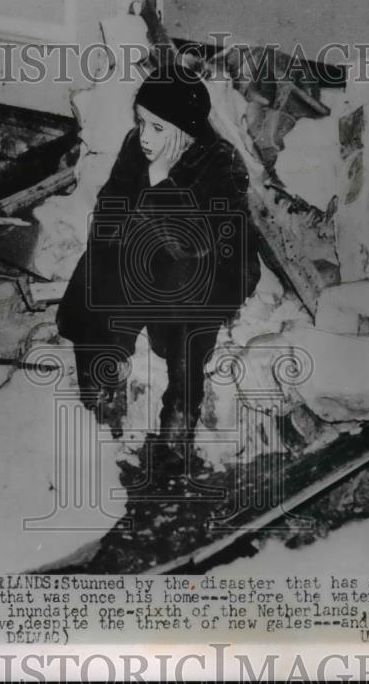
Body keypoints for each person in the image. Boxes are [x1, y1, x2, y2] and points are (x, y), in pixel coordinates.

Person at [56, 64, 260, 465]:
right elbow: (109, 211)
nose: (146, 137)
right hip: (151, 251)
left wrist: (159, 180)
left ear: (185, 130)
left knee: (185, 290)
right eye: (142, 123)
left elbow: (191, 243)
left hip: (217, 265)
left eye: (158, 128)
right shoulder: (137, 146)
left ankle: (179, 417)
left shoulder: (221, 161)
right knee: (94, 267)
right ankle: (102, 382)